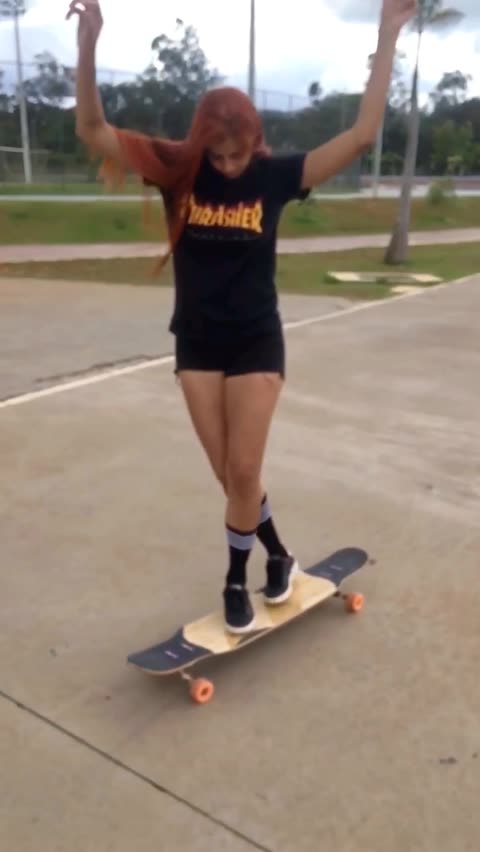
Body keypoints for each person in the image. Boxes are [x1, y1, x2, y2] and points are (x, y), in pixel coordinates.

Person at [68, 0, 416, 634]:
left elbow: (362, 135)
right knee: (230, 476)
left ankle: (236, 580)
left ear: (255, 142)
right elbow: (92, 129)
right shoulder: (176, 169)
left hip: (256, 340)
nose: (228, 166)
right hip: (198, 344)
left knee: (245, 470)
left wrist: (387, 34)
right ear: (202, 143)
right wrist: (88, 44)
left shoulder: (276, 176)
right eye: (218, 156)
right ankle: (279, 554)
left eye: (238, 155)